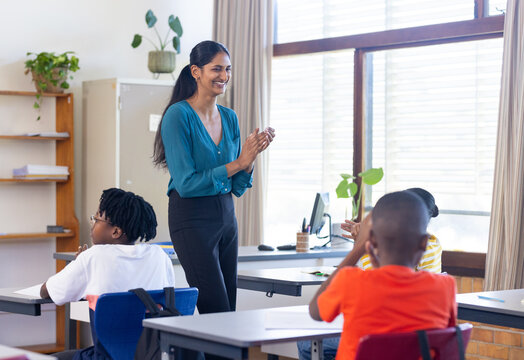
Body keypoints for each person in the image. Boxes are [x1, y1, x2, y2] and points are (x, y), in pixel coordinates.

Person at [152, 40, 275, 317]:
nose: (224, 76)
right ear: (196, 71)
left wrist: (250, 157)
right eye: (216, 69)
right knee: (215, 310)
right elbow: (187, 184)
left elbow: (237, 187)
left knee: (228, 309)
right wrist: (238, 162)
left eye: (228, 69)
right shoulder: (178, 115)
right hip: (191, 218)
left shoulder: (230, 117)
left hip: (226, 215)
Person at [298, 187, 443, 360]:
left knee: (306, 343)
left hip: (375, 348)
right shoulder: (445, 286)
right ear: (423, 242)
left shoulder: (351, 280)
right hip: (408, 350)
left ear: (372, 242)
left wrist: (360, 248)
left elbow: (316, 312)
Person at [40, 188, 174, 360]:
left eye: (96, 219)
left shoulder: (92, 256)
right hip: (154, 354)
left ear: (116, 232)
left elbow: (47, 291)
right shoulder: (159, 256)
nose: (92, 223)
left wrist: (81, 264)